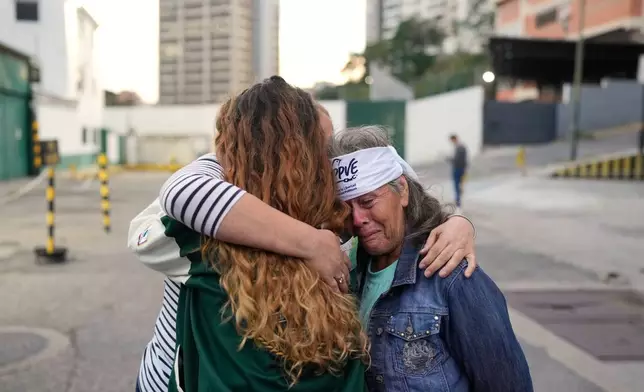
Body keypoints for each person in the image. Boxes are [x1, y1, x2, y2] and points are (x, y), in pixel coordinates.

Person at [129, 78, 478, 392]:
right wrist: (310, 244)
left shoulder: (324, 215)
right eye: (321, 148)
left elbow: (391, 189)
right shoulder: (200, 233)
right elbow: (182, 191)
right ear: (293, 154)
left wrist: (454, 222)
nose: (329, 162)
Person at [331, 125, 533, 391]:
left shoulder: (450, 275)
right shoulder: (348, 273)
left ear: (402, 191)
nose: (358, 220)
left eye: (368, 202)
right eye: (347, 208)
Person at [448, 134, 467, 208]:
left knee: (457, 185)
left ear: (454, 139)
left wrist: (449, 159)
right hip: (461, 168)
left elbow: (456, 160)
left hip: (457, 168)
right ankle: (458, 200)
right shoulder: (461, 147)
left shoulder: (459, 148)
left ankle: (458, 201)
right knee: (459, 185)